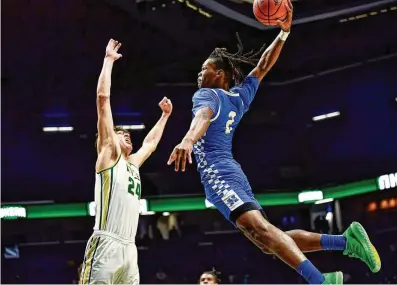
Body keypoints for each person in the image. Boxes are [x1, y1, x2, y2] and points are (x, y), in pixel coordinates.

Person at [167, 1, 380, 283]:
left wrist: (187, 139)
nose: (199, 74)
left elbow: (203, 117)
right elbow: (262, 67)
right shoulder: (239, 98)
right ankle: (346, 242)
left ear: (220, 74)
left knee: (263, 232)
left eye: (204, 68)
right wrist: (283, 34)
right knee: (269, 240)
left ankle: (320, 281)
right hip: (232, 171)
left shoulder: (206, 96)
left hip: (219, 173)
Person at [80, 39, 173, 284]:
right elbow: (102, 98)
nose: (127, 135)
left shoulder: (132, 164)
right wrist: (108, 60)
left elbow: (150, 145)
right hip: (106, 242)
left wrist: (165, 116)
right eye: (122, 134)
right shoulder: (108, 154)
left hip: (129, 248)